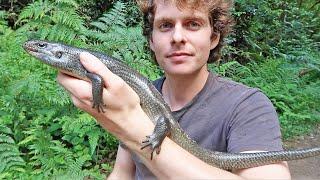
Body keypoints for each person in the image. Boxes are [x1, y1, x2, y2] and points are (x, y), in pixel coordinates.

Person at [57, 0, 291, 179]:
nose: (177, 37)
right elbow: (122, 174)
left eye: (193, 24)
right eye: (166, 25)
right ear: (151, 40)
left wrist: (130, 124)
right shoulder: (130, 95)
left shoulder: (248, 105)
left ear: (213, 38)